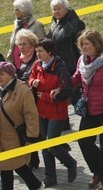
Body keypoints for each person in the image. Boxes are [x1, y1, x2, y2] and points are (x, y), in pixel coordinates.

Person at [70, 30, 103, 190]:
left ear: (97, 44)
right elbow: (77, 78)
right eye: (82, 44)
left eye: (88, 44)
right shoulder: (82, 61)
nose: (84, 47)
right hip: (90, 108)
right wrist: (62, 84)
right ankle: (98, 171)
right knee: (84, 140)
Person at [28, 38, 78, 187]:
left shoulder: (60, 68)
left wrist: (44, 96)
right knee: (45, 145)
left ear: (49, 51)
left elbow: (65, 92)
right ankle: (50, 177)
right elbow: (30, 77)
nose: (38, 54)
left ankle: (70, 163)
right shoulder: (37, 65)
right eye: (36, 51)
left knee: (52, 144)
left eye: (40, 51)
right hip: (41, 112)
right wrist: (32, 83)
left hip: (56, 112)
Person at [0, 61, 43, 190]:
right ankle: (36, 185)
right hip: (2, 139)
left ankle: (36, 185)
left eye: (1, 74)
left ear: (11, 75)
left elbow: (31, 116)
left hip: (15, 138)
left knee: (12, 166)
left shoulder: (22, 90)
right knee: (10, 167)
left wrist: (31, 138)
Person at [48, 0, 85, 77]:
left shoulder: (75, 24)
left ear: (66, 9)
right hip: (57, 66)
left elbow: (82, 45)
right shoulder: (53, 24)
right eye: (54, 9)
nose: (56, 12)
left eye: (59, 9)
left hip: (72, 67)